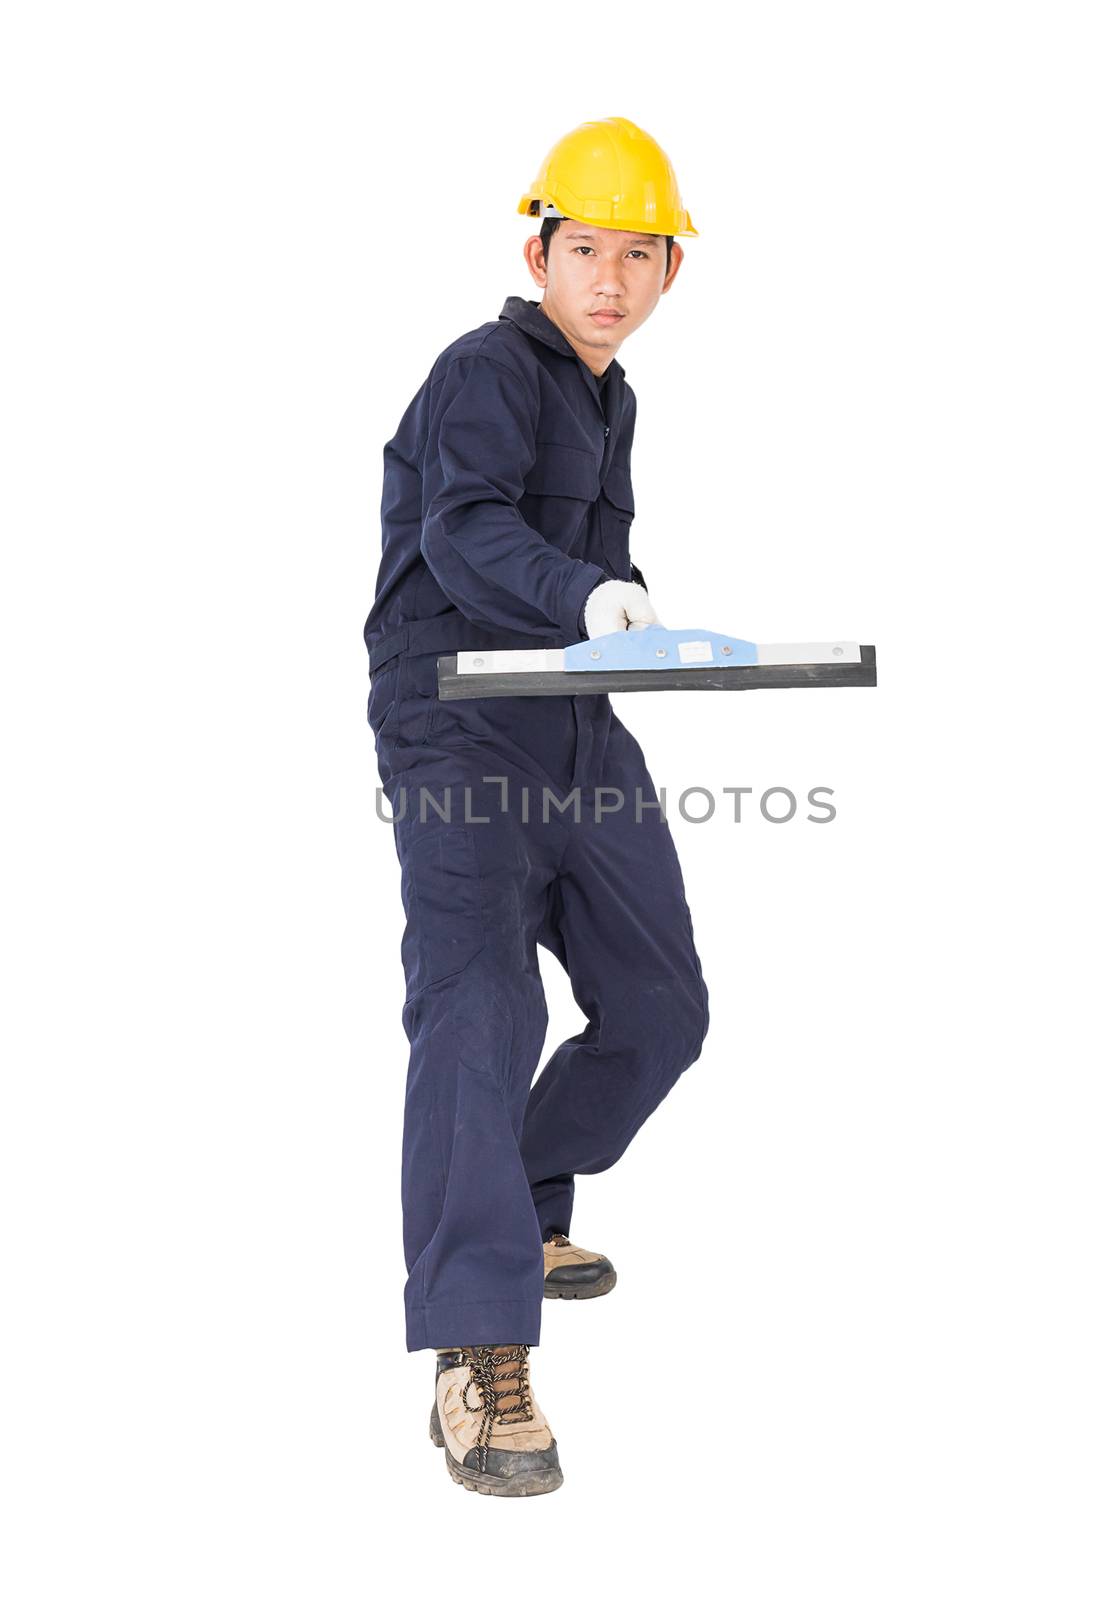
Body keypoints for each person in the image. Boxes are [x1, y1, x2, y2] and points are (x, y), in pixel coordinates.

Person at [365, 117, 709, 1497]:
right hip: (456, 724)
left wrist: (626, 620)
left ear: (669, 273)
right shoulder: (484, 371)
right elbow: (464, 531)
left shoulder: (609, 395)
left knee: (662, 1005)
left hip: (571, 718)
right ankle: (476, 1346)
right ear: (539, 250)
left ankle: (508, 1203)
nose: (610, 279)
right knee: (483, 1006)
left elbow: (584, 572)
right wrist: (587, 596)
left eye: (639, 255)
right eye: (585, 250)